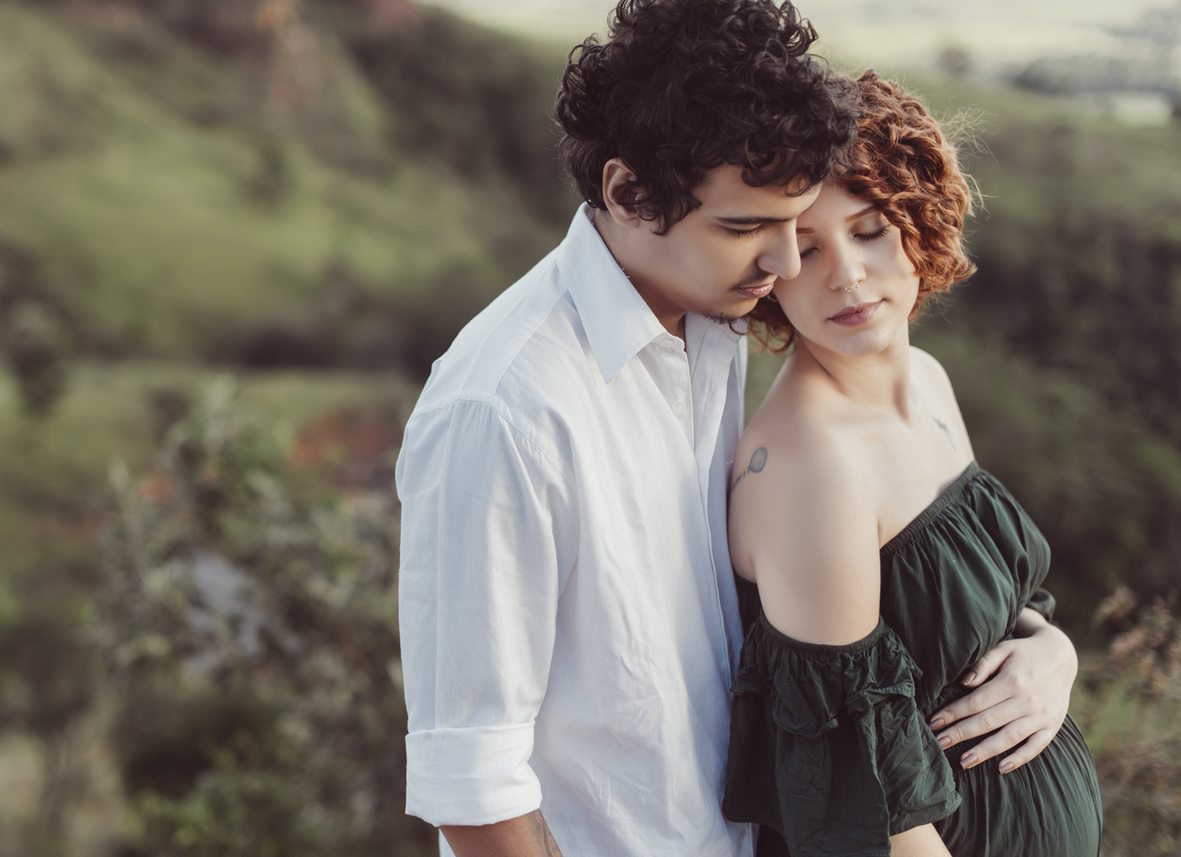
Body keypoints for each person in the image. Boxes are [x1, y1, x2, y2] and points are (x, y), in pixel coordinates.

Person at [396, 2, 1081, 855]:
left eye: (794, 222)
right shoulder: (503, 409)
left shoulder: (711, 320)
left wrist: (1050, 651)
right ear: (628, 193)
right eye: (747, 227)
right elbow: (473, 780)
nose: (788, 263)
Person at [721, 70, 1103, 857]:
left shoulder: (928, 380)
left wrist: (1053, 652)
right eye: (807, 248)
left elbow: (990, 606)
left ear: (919, 221)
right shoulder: (810, 467)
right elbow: (863, 804)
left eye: (868, 230)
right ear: (769, 271)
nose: (846, 274)